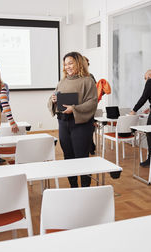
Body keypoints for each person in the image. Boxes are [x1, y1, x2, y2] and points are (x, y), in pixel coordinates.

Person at [48, 51, 98, 188]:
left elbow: (92, 102)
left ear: (79, 63)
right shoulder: (62, 81)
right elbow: (55, 97)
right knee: (68, 156)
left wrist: (74, 109)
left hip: (80, 124)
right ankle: (73, 187)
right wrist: (53, 100)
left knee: (81, 157)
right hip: (63, 122)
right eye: (65, 64)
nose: (67, 66)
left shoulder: (88, 81)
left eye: (70, 63)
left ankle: (85, 188)